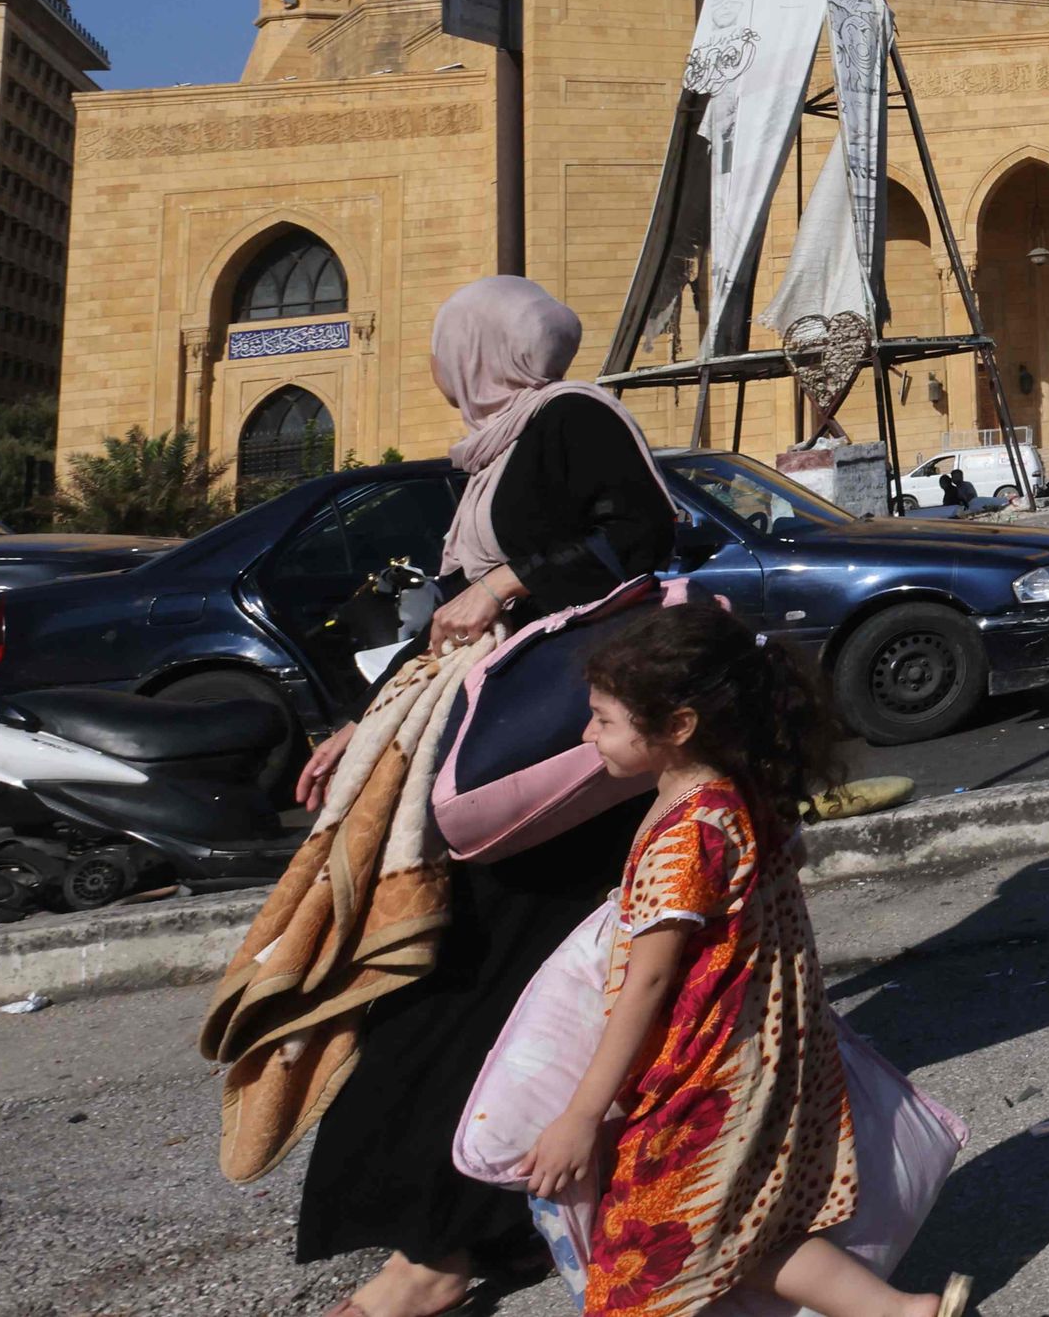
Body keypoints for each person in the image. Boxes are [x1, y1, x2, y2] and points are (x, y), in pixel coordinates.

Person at [292, 277, 685, 1317]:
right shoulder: (497, 453)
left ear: (483, 347)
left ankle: (437, 1258)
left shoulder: (570, 417)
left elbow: (644, 537)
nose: (436, 364)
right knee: (488, 995)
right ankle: (494, 1221)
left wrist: (507, 580)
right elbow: (449, 635)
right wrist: (361, 728)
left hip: (555, 774)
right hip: (503, 761)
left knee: (473, 995)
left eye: (445, 343)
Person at [535, 603, 969, 1317]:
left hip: (703, 1081)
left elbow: (649, 980)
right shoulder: (739, 797)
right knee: (741, 1230)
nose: (588, 736)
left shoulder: (687, 838)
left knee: (642, 1265)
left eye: (605, 721)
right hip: (759, 1059)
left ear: (677, 727)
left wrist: (581, 1115)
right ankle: (900, 1314)